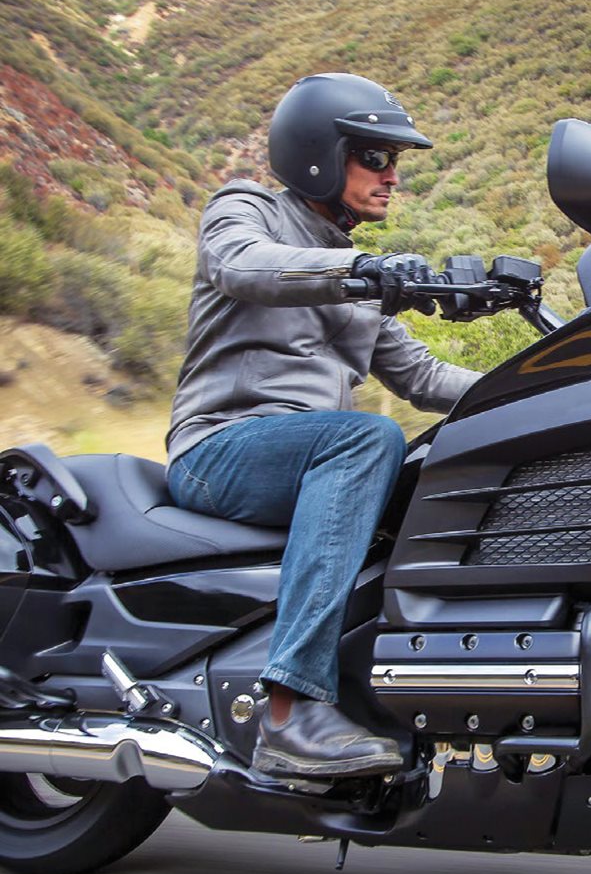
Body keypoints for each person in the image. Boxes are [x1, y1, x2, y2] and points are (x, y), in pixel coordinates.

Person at [166, 72, 479, 778]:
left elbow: (425, 379)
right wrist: (362, 270)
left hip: (308, 455)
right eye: (376, 157)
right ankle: (289, 712)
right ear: (320, 153)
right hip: (218, 449)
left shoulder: (359, 278)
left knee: (432, 474)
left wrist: (547, 387)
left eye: (395, 161)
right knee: (369, 436)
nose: (392, 175)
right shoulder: (245, 212)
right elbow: (243, 268)